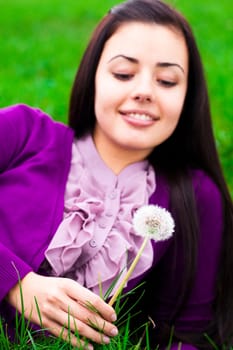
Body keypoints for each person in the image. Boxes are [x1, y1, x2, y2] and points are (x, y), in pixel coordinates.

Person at [0, 0, 233, 348]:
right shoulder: (23, 133)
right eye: (123, 74)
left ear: (188, 96)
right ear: (93, 75)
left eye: (167, 81)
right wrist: (17, 282)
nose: (144, 91)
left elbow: (187, 334)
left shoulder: (196, 196)